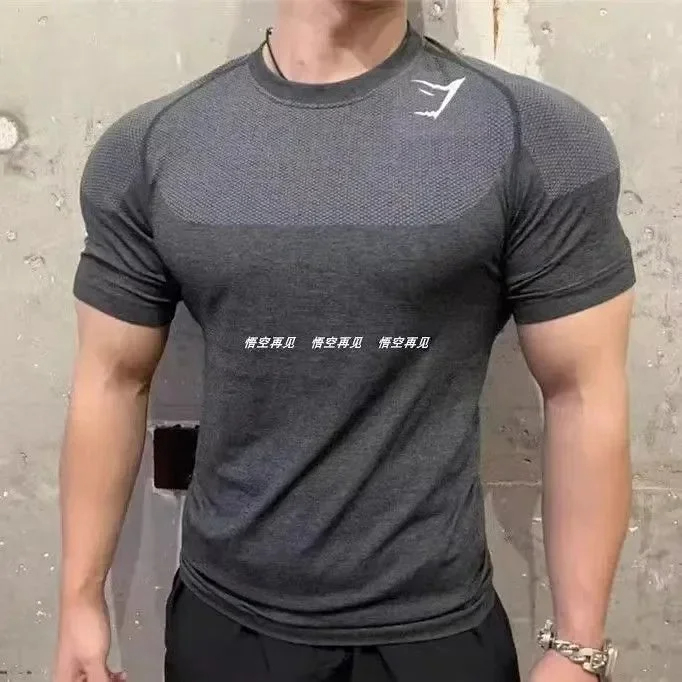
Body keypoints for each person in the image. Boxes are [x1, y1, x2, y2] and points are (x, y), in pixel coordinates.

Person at [53, 1, 636, 681]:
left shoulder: (535, 138)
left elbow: (582, 392)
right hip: (226, 628)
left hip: (434, 634)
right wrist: (78, 600)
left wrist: (579, 648)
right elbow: (111, 378)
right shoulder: (153, 146)